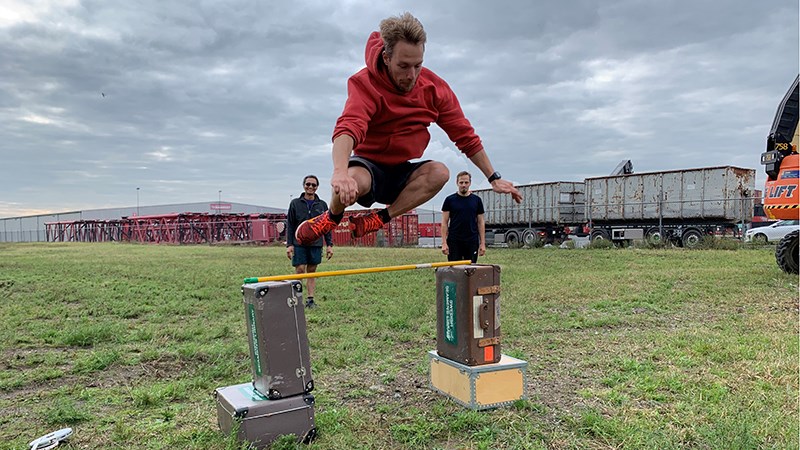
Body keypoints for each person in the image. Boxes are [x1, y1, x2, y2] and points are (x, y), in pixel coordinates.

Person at [294, 12, 522, 246]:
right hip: (369, 165)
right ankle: (331, 218)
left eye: (418, 66)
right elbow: (349, 126)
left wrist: (493, 178)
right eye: (403, 66)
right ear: (386, 57)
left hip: (403, 171)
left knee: (440, 172)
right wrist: (340, 171)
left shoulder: (435, 88)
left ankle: (378, 219)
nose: (411, 75)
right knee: (352, 181)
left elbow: (465, 136)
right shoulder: (365, 83)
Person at [286, 175, 334, 308]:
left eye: (313, 185)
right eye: (308, 184)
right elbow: (290, 225)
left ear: (317, 187)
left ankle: (310, 300)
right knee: (300, 270)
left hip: (316, 244)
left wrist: (329, 245)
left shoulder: (322, 205)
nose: (310, 187)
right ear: (303, 185)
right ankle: (296, 299)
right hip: (299, 243)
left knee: (312, 271)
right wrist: (289, 245)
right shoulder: (295, 203)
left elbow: (327, 226)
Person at [441, 171, 485, 263]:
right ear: (457, 183)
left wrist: (482, 243)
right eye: (461, 182)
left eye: (466, 182)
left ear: (470, 183)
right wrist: (444, 243)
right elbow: (444, 222)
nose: (463, 185)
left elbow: (481, 223)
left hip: (471, 241)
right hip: (454, 241)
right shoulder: (449, 200)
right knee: (455, 270)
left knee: (470, 271)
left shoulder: (477, 200)